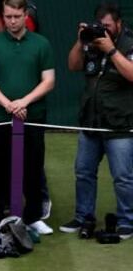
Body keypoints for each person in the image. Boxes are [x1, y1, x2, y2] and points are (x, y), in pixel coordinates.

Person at [0, 0, 55, 236]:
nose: (12, 21)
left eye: (16, 16)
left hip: (33, 116)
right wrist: (9, 105)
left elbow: (49, 80)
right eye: (8, 16)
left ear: (25, 15)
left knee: (33, 166)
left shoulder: (41, 44)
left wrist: (23, 102)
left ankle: (33, 217)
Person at [61, 1, 133, 239]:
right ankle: (83, 217)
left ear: (119, 24)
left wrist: (111, 50)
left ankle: (127, 221)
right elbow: (72, 65)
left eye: (108, 26)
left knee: (123, 177)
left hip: (120, 124)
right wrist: (81, 41)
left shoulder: (129, 43)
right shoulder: (91, 43)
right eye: (100, 25)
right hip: (91, 121)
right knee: (83, 172)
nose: (104, 30)